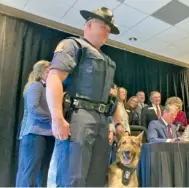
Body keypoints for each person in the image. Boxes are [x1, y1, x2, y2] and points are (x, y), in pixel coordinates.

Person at [46, 7, 120, 187]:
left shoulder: (108, 60)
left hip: (102, 121)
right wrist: (57, 117)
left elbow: (110, 96)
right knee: (73, 176)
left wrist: (113, 124)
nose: (107, 33)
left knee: (97, 176)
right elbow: (54, 77)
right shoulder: (73, 45)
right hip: (80, 116)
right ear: (89, 25)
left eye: (109, 31)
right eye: (103, 27)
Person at [16, 60, 53, 187]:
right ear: (41, 72)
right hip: (35, 133)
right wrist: (54, 119)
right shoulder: (36, 85)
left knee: (42, 171)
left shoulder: (48, 88)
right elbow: (34, 108)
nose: (51, 75)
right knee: (30, 171)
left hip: (46, 134)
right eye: (49, 72)